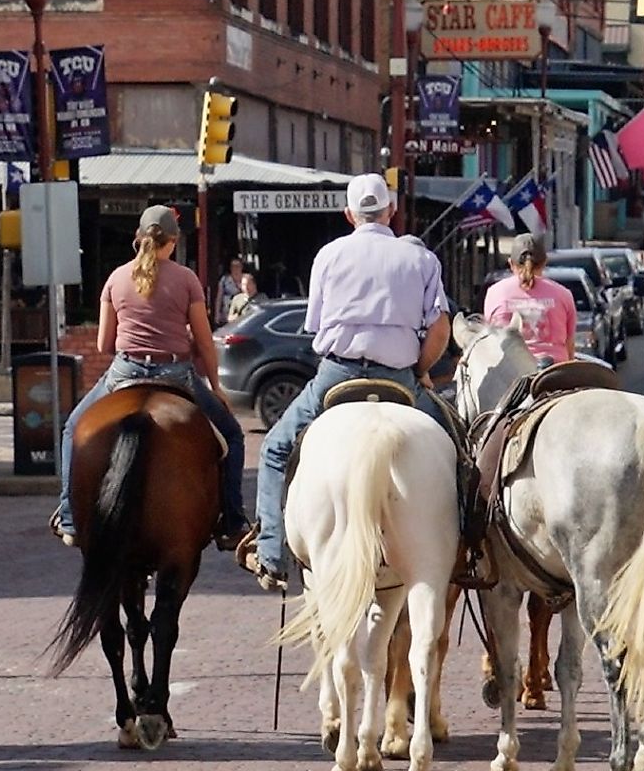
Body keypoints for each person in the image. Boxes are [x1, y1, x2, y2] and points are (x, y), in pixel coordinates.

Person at [242, 174, 457, 589]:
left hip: (336, 376)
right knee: (456, 449)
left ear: (349, 214)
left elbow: (315, 324)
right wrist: (419, 370)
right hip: (399, 379)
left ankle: (270, 552)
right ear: (392, 212)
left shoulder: (329, 255)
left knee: (274, 449)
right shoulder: (421, 259)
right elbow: (440, 333)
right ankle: (465, 542)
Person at [51, 205, 248, 549]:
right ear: (172, 242)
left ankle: (69, 516)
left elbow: (104, 343)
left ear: (139, 238)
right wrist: (216, 387)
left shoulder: (116, 278)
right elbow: (203, 340)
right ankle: (232, 521)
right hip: (176, 373)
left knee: (72, 429)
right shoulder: (186, 279)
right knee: (232, 435)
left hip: (125, 370)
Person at [480, 233, 579, 369]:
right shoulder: (564, 294)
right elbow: (569, 346)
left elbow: (490, 340)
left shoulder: (495, 292)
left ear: (511, 263)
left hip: (508, 373)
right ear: (544, 262)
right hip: (554, 371)